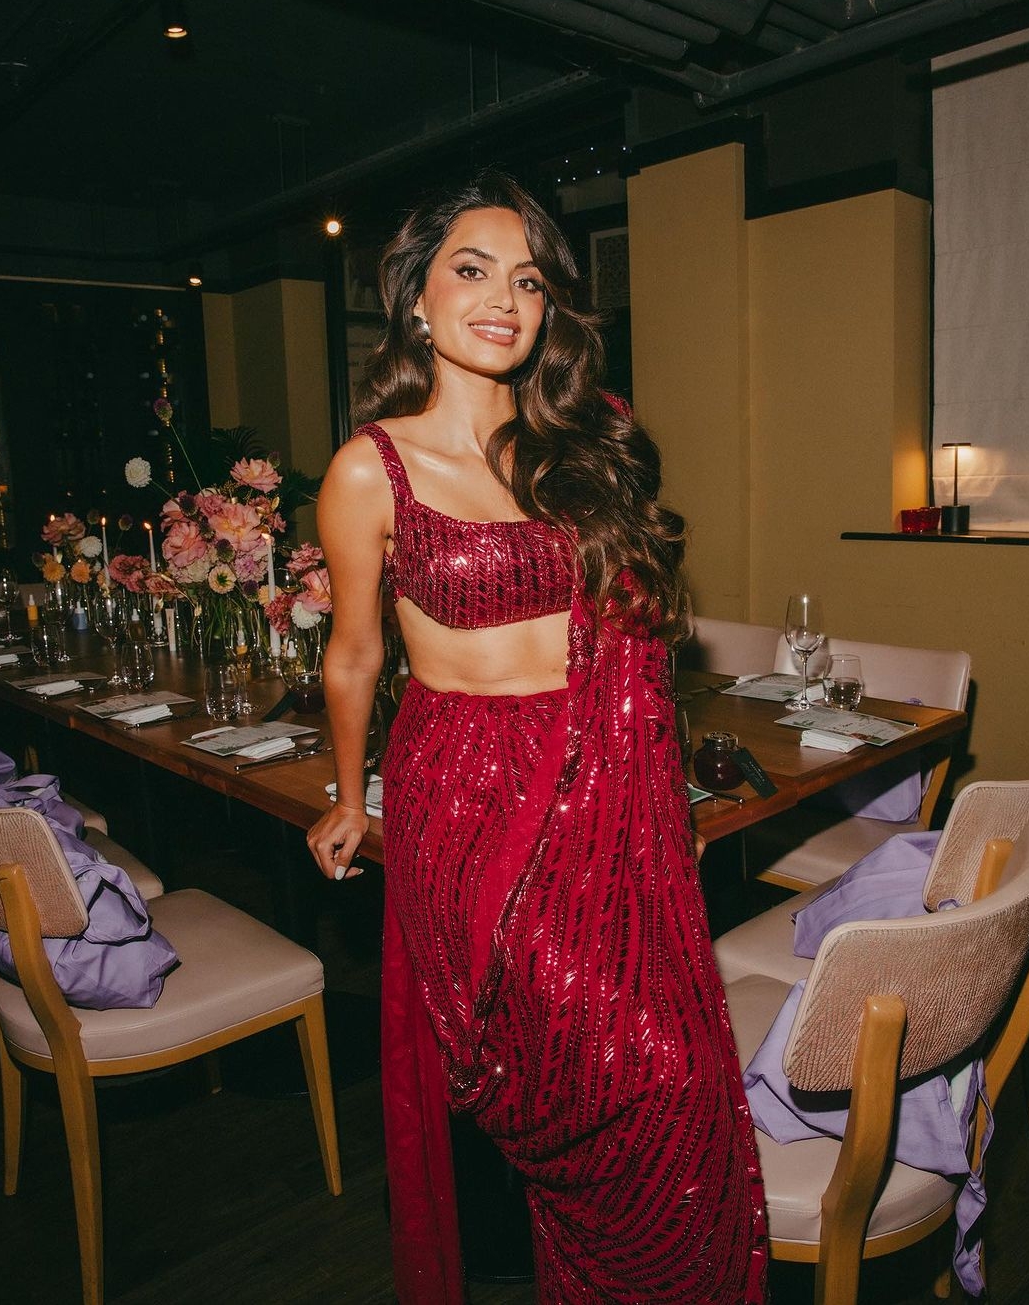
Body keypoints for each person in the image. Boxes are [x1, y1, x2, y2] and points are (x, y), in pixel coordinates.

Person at [306, 170, 767, 1304]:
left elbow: (641, 642)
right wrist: (349, 796)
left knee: (676, 1090)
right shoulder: (372, 467)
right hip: (474, 808)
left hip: (614, 797)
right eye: (471, 271)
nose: (503, 300)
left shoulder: (587, 443)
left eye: (527, 281)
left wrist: (663, 798)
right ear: (417, 299)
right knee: (581, 1081)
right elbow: (355, 655)